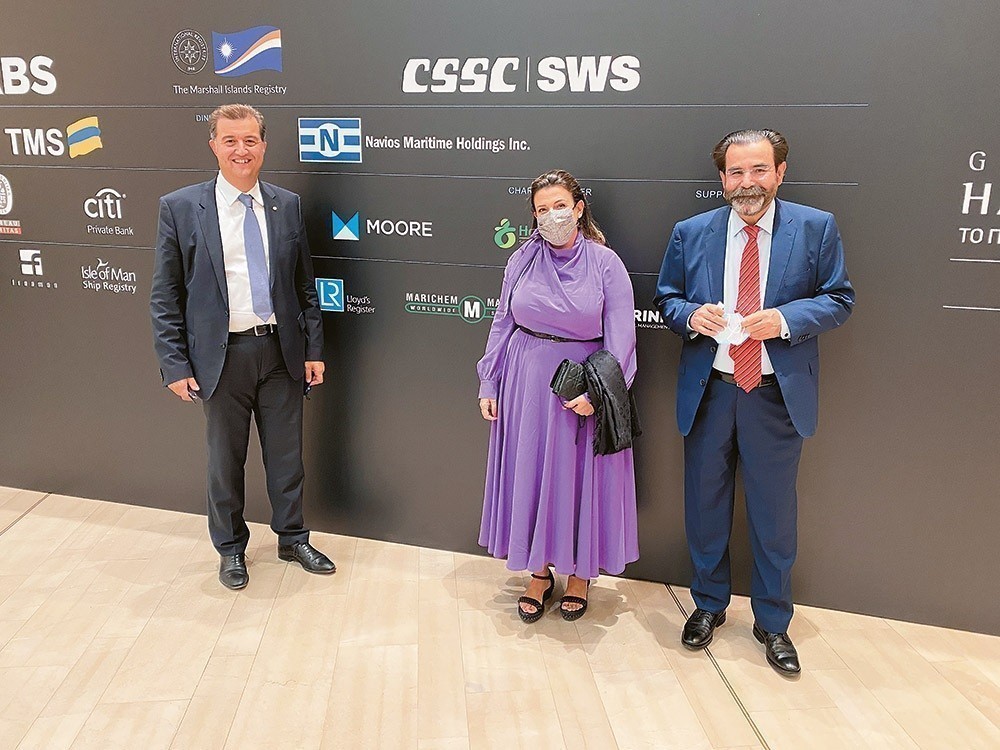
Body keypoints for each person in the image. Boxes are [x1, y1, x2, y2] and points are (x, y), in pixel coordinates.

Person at [654, 129, 855, 675]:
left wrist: (787, 319)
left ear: (780, 172)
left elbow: (839, 299)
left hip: (774, 397)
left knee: (773, 516)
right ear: (722, 179)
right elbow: (667, 299)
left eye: (759, 170)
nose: (748, 182)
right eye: (737, 172)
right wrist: (690, 315)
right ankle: (707, 605)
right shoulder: (690, 232)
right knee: (705, 508)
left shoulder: (815, 227)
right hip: (711, 392)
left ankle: (772, 621)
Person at [150, 103, 335, 590]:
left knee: (287, 458)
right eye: (230, 140)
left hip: (280, 352)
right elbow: (165, 295)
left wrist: (313, 349)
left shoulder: (287, 205)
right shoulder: (180, 207)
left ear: (263, 146)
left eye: (250, 140)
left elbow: (305, 286)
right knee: (225, 463)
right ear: (213, 145)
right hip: (220, 358)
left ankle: (292, 539)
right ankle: (230, 549)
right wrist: (174, 364)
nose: (241, 150)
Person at [477, 169, 639, 623]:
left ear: (579, 208)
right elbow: (502, 322)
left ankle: (580, 574)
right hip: (525, 382)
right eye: (542, 210)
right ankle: (539, 572)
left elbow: (622, 339)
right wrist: (489, 380)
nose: (552, 216)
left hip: (580, 387)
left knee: (576, 480)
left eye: (560, 206)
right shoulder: (521, 260)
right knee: (530, 475)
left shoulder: (606, 264)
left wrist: (599, 393)